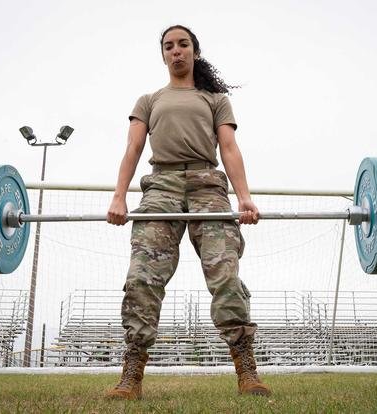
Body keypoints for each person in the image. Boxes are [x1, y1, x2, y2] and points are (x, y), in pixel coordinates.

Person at [105, 24, 271, 399]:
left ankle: (246, 369)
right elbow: (132, 150)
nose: (176, 51)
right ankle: (132, 374)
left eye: (183, 45)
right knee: (142, 277)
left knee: (225, 273)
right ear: (163, 54)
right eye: (168, 46)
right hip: (160, 186)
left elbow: (229, 148)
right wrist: (119, 197)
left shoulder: (215, 100)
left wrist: (244, 197)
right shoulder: (148, 100)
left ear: (195, 51)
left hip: (207, 186)